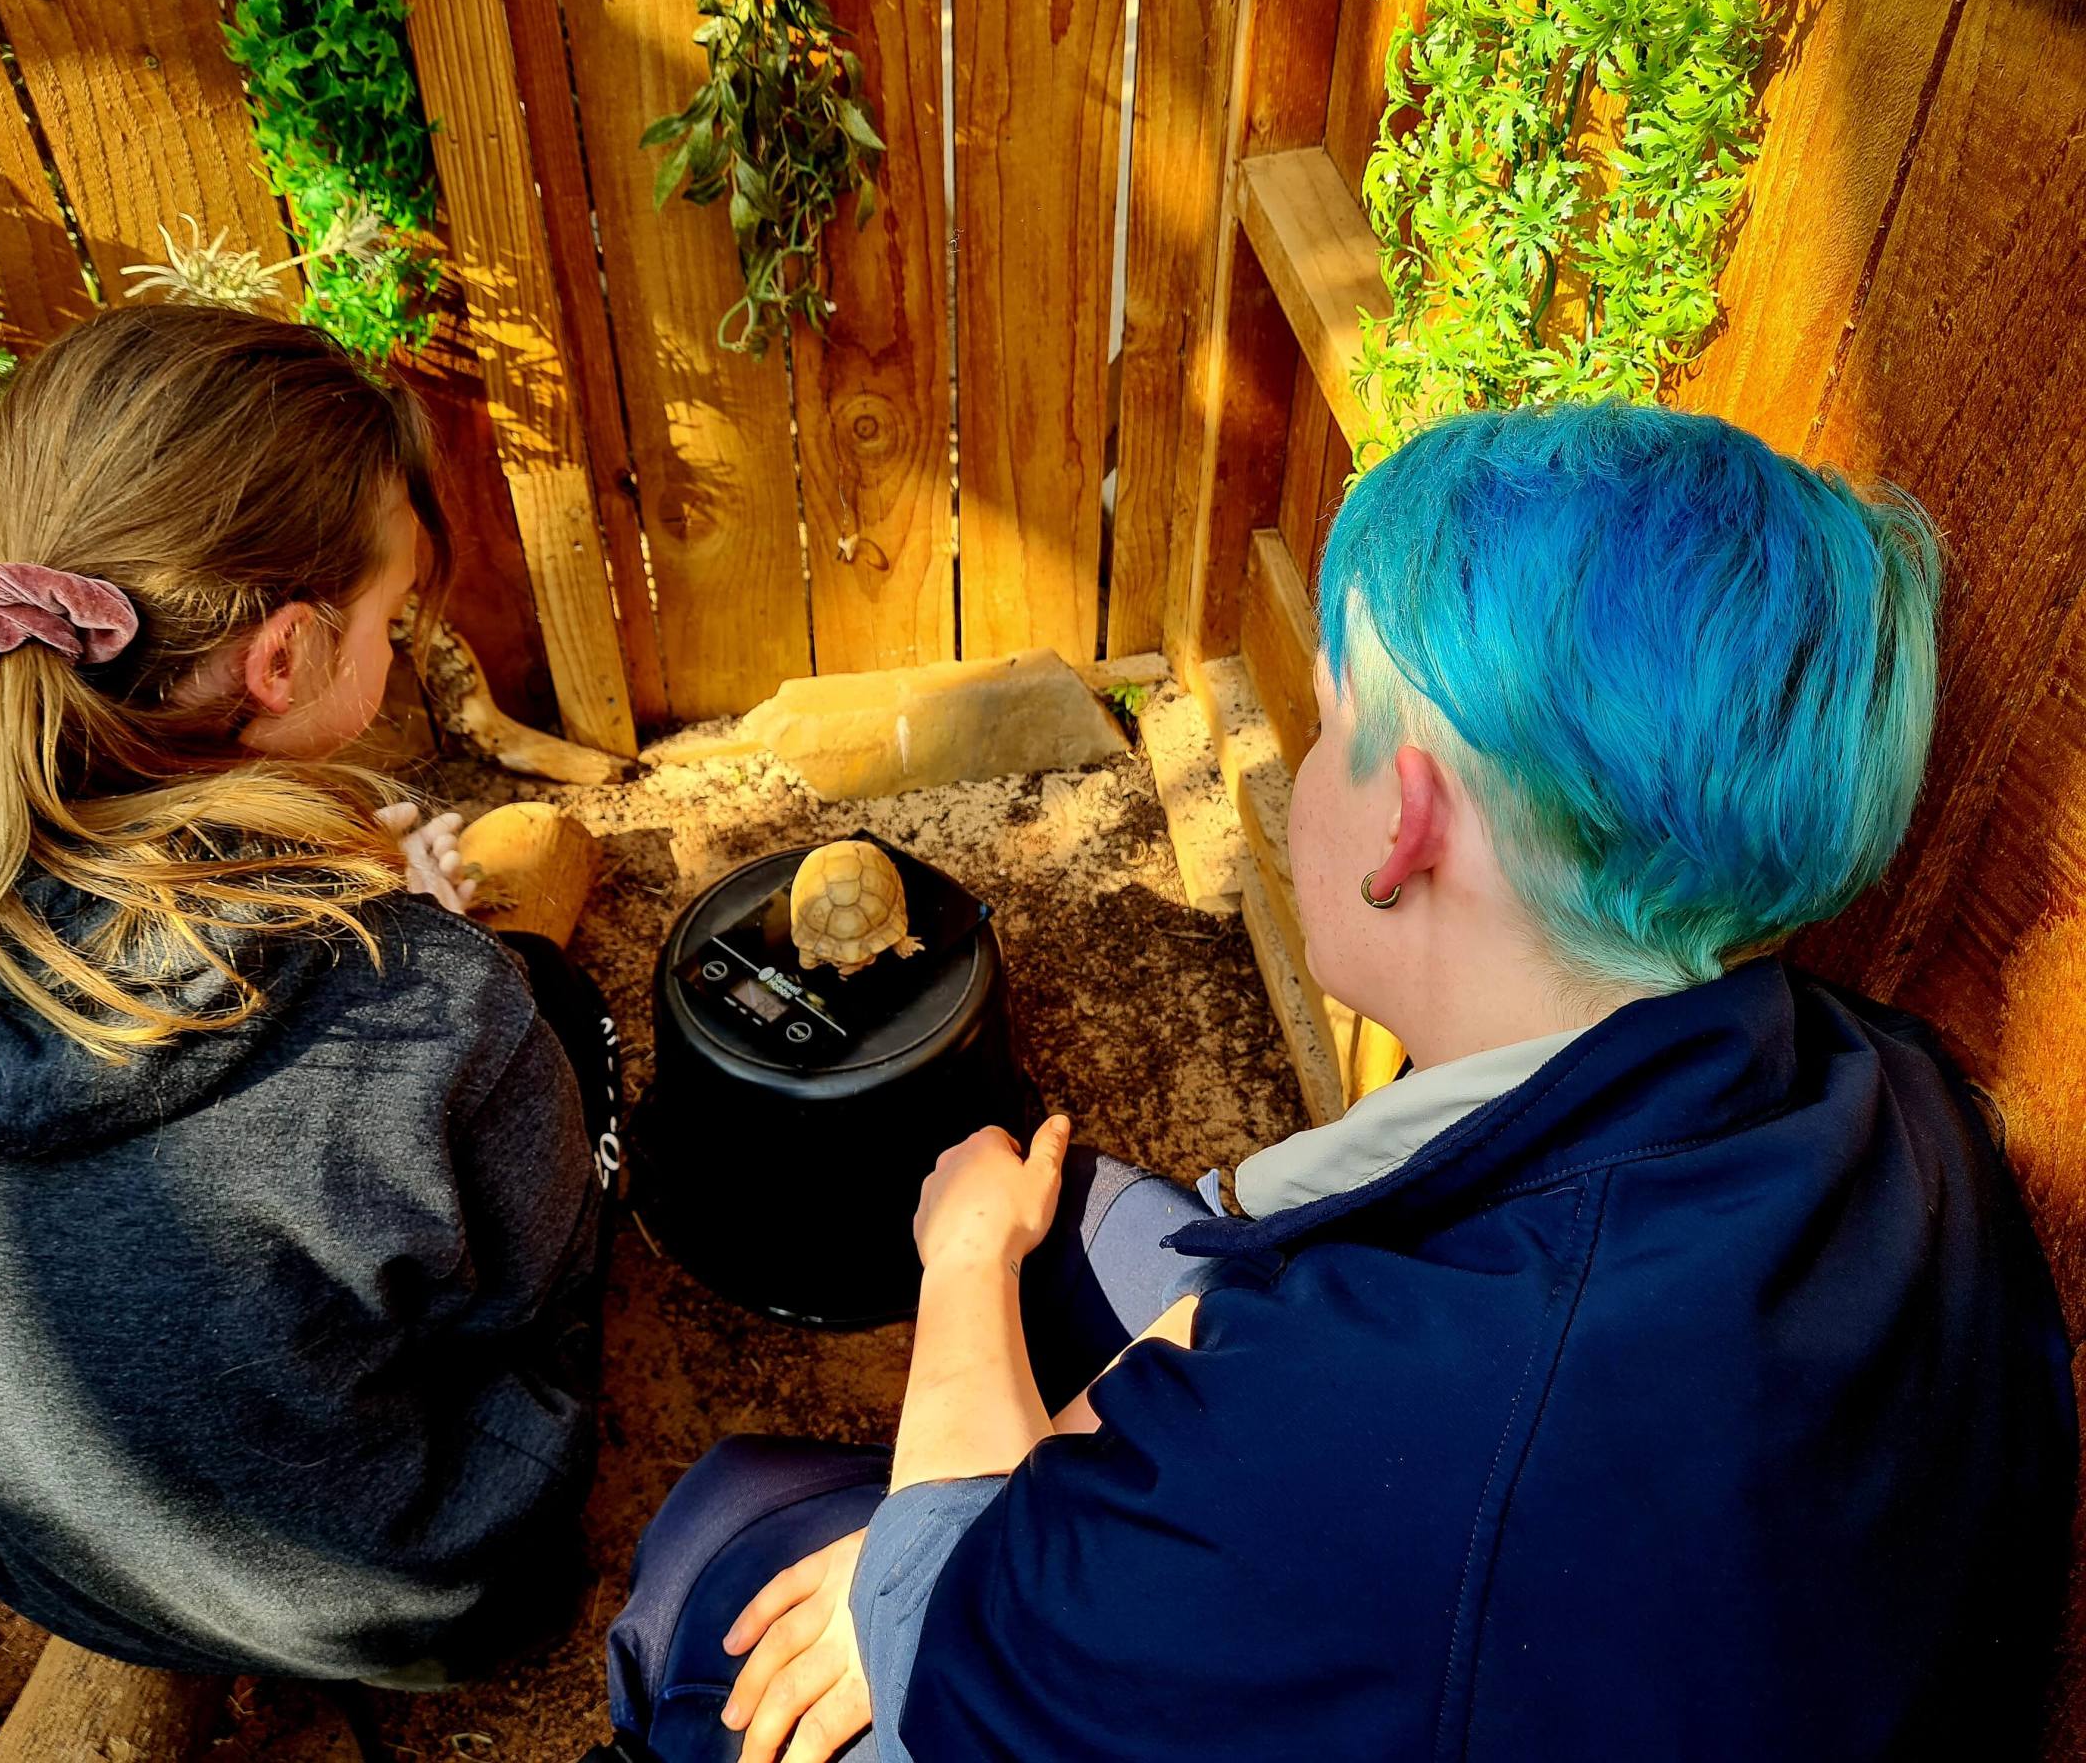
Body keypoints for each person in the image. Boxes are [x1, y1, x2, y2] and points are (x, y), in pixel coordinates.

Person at [598, 402, 2077, 1761]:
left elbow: (939, 1623)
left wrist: (962, 1268)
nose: (1307, 764)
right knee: (1097, 1220)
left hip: (1444, 1543)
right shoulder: (1875, 1078)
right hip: (1607, 1587)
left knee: (721, 1555)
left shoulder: (1381, 1437)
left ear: (1404, 827)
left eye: (1326, 718)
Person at [0, 305, 622, 1684]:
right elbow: (518, 1305)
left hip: (61, 1570)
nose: (396, 650)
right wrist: (521, 1024)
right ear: (278, 659)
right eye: (391, 620)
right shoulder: (427, 1007)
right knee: (566, 1047)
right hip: (405, 1597)